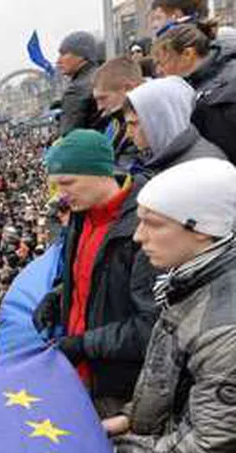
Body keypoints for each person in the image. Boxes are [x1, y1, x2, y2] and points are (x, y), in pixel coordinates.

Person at [105, 158, 236, 453]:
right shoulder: (193, 278)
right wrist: (129, 419)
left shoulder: (227, 325)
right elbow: (172, 380)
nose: (139, 237)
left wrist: (119, 452)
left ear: (202, 230)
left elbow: (206, 451)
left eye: (153, 224)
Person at [35, 129, 158, 414]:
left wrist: (84, 344)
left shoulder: (142, 229)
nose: (61, 196)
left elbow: (152, 327)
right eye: (55, 186)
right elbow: (91, 280)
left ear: (100, 172)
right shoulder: (80, 215)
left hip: (122, 390)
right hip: (82, 377)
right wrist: (59, 297)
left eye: (67, 183)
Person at [153, 21, 236, 163]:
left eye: (162, 62)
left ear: (187, 54)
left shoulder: (216, 98)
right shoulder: (213, 82)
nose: (158, 71)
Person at [123, 76, 227, 178]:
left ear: (161, 120)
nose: (128, 133)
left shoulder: (201, 167)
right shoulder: (169, 159)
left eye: (133, 124)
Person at [92, 57, 145, 171]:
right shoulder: (116, 122)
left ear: (128, 88)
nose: (99, 107)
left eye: (103, 98)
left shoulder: (146, 122)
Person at [57, 31, 103, 134]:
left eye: (63, 54)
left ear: (82, 55)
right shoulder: (101, 75)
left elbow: (69, 138)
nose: (58, 61)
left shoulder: (76, 90)